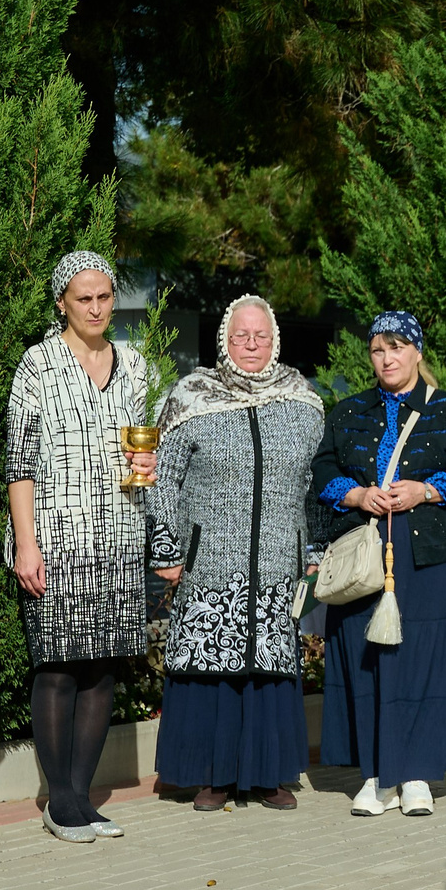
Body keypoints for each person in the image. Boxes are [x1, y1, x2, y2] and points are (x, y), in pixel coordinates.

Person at [145, 296, 325, 811]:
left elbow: (314, 485)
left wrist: (312, 548)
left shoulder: (302, 402)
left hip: (277, 562)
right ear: (225, 339)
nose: (251, 345)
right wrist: (166, 547)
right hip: (208, 563)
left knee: (269, 668)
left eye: (260, 336)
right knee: (210, 668)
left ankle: (268, 777)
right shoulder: (190, 396)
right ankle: (212, 777)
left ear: (275, 341)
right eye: (240, 335)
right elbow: (163, 481)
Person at [5, 250, 159, 844]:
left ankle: (84, 796)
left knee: (101, 670)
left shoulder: (137, 365)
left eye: (103, 297)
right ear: (62, 303)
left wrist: (146, 461)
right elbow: (18, 464)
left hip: (120, 534)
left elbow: (139, 453)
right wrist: (26, 544)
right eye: (82, 299)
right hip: (56, 537)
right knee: (59, 666)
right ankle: (60, 800)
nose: (96, 308)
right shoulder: (37, 366)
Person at [314, 312, 446, 816]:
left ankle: (416, 774)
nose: (387, 358)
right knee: (368, 663)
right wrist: (356, 494)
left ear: (417, 352)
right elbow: (322, 470)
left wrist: (426, 489)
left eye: (397, 347)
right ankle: (373, 773)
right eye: (377, 350)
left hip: (432, 560)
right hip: (366, 561)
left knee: (425, 665)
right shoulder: (348, 412)